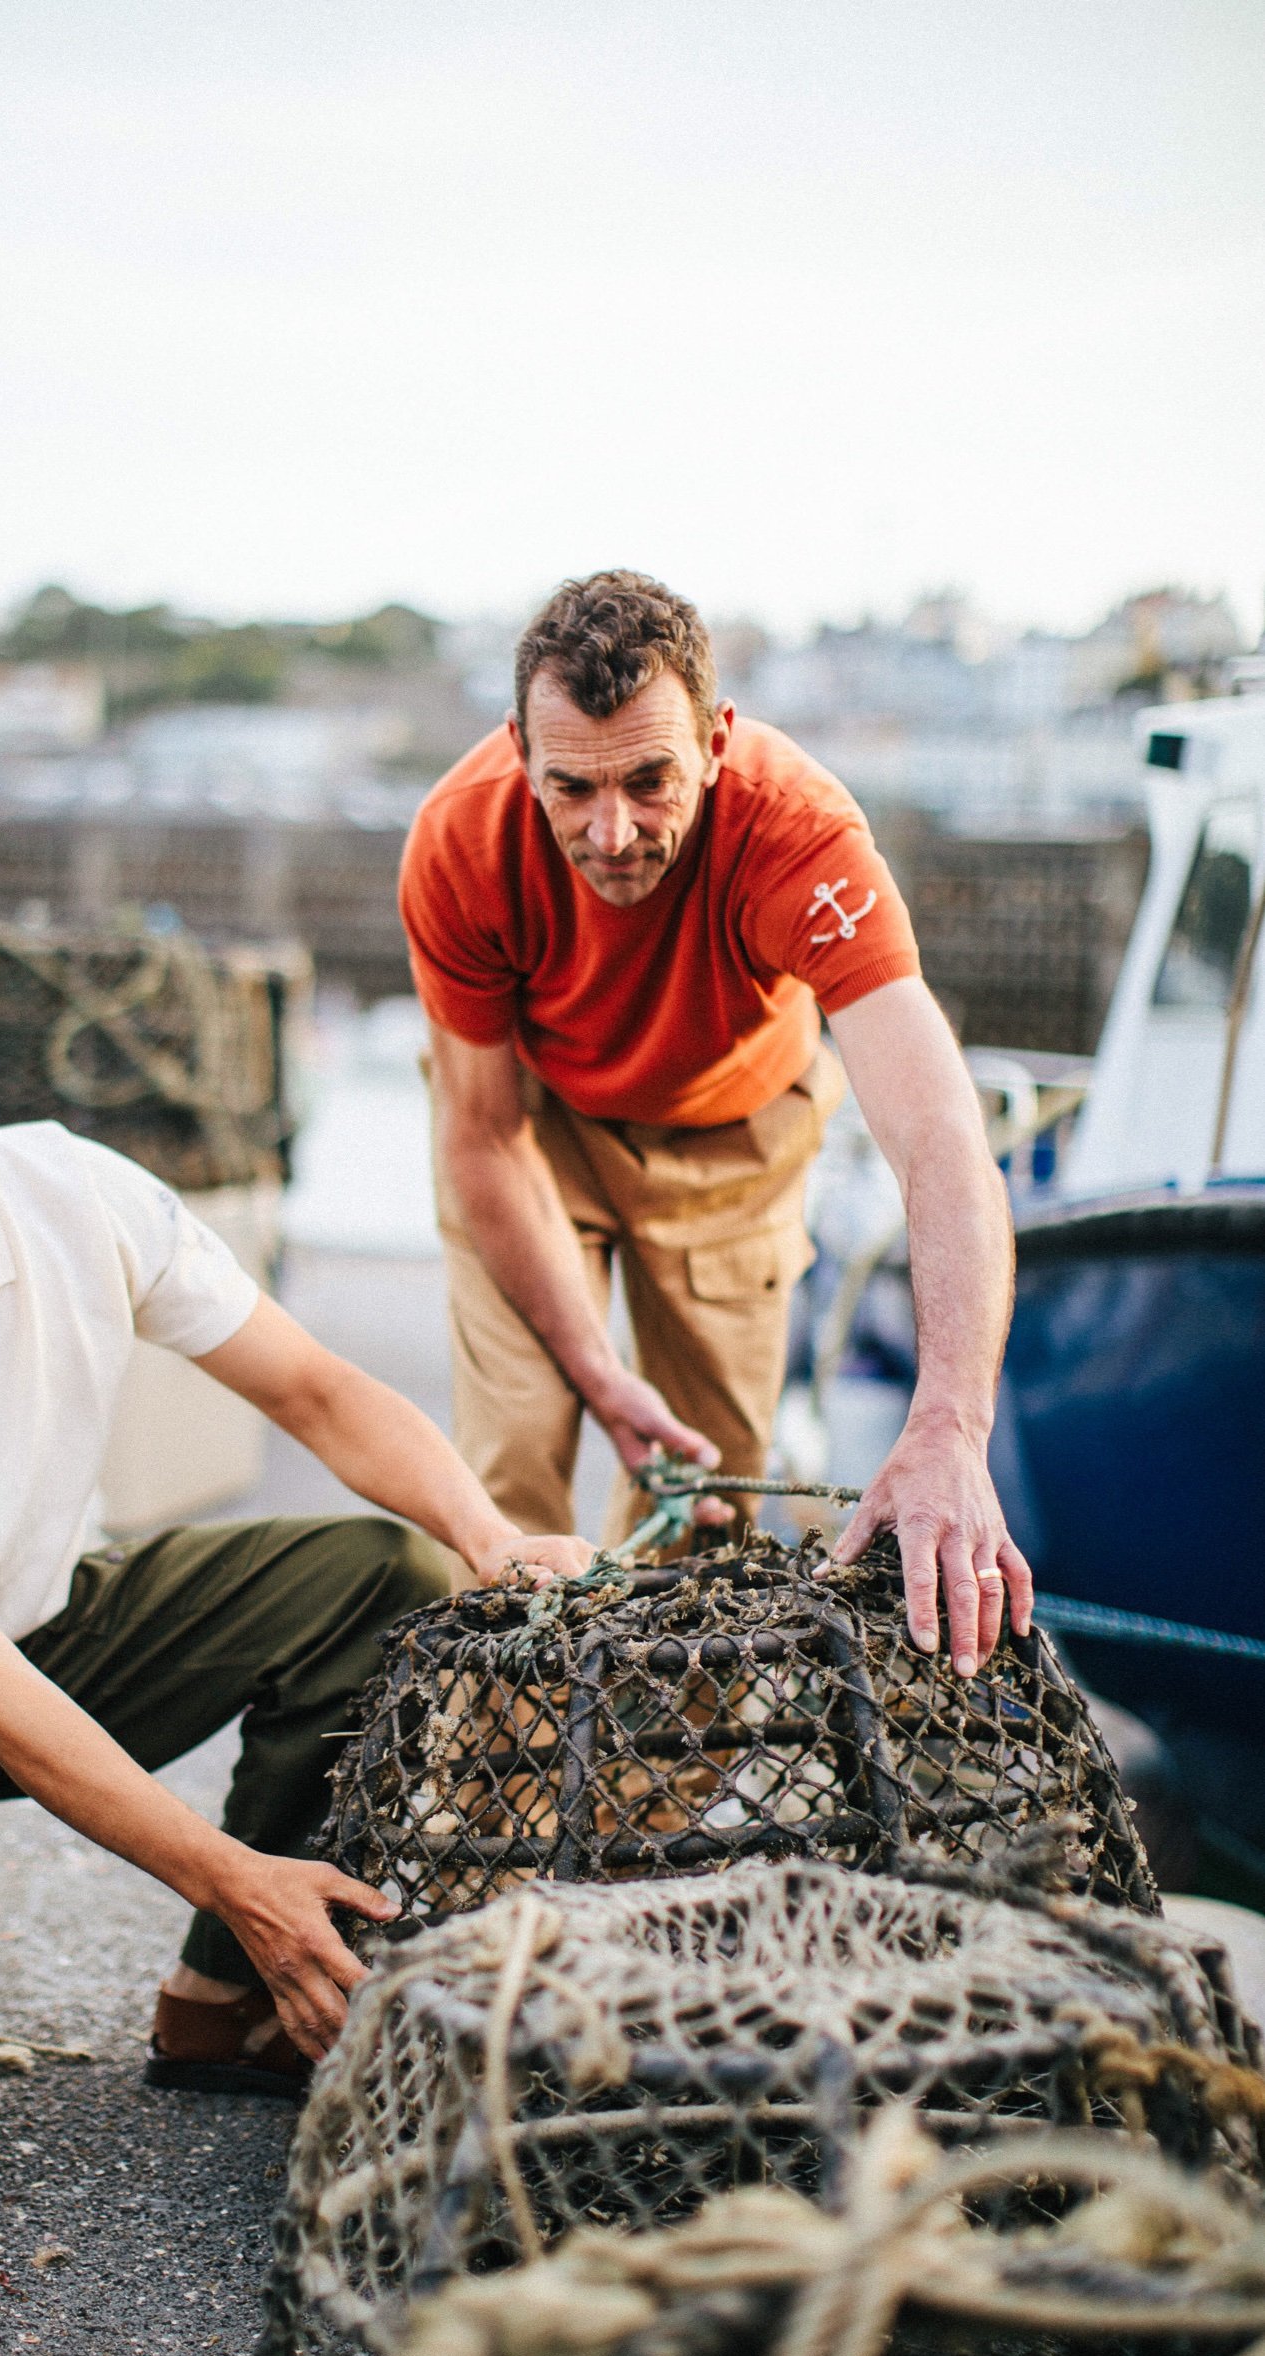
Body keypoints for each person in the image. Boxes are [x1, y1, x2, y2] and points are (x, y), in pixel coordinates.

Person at [0, 973, 592, 2126]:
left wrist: (489, 1537)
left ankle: (222, 1993)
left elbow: (312, 1390)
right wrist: (232, 1872)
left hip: (50, 1610)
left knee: (389, 1579)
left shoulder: (73, 1187)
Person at [400, 569, 1034, 1677]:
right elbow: (481, 1134)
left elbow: (939, 1136)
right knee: (510, 1465)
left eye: (650, 780)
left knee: (710, 1498)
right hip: (533, 1133)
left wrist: (949, 1427)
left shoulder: (799, 835)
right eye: (572, 789)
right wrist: (600, 1374)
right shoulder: (459, 843)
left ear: (716, 737)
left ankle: (658, 1812)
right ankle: (503, 1781)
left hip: (731, 1141)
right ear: (518, 750)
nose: (612, 832)